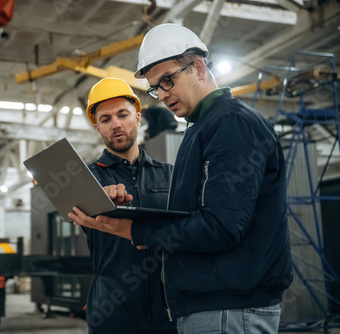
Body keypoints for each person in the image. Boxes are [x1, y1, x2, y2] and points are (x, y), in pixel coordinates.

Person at [70, 24, 293, 333]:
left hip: (226, 306)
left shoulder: (230, 123)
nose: (162, 95)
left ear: (198, 67)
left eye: (167, 81)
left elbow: (221, 226)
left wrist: (136, 230)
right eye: (155, 88)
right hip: (187, 306)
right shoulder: (200, 128)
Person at [81, 77, 175, 334]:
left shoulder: (171, 175)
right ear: (98, 129)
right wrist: (98, 198)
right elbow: (73, 213)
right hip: (113, 312)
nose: (116, 124)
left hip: (170, 310)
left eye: (122, 114)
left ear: (137, 117)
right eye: (105, 119)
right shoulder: (85, 181)